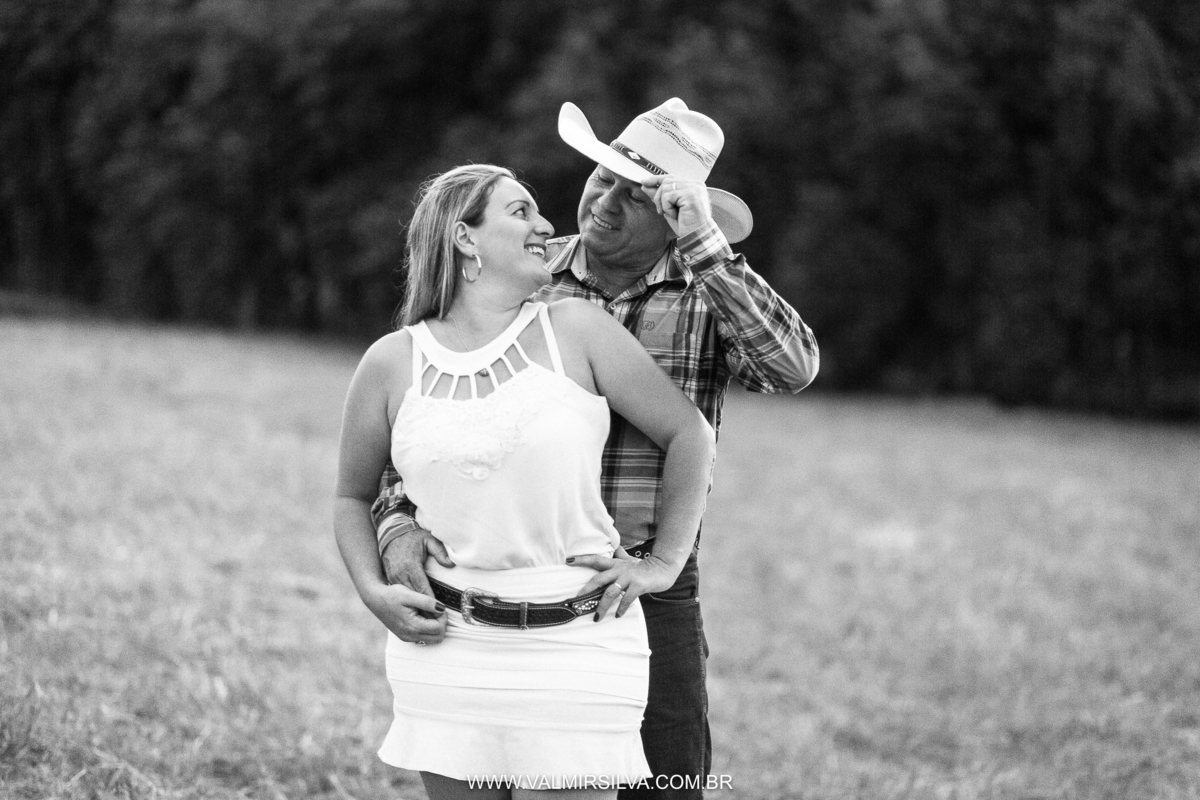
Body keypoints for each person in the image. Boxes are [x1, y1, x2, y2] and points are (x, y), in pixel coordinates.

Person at [372, 99, 819, 799]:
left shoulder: (707, 290)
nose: (604, 203)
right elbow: (425, 408)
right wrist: (397, 523)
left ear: (674, 213)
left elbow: (792, 368)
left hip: (642, 577)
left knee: (666, 784)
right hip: (503, 578)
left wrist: (706, 247)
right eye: (602, 178)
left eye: (636, 196)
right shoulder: (521, 271)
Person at [334, 163, 717, 799]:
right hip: (447, 648)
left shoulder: (577, 330)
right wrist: (373, 590)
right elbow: (353, 494)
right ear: (465, 237)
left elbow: (690, 434)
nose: (546, 226)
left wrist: (664, 562)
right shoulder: (390, 361)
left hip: (579, 648)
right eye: (521, 212)